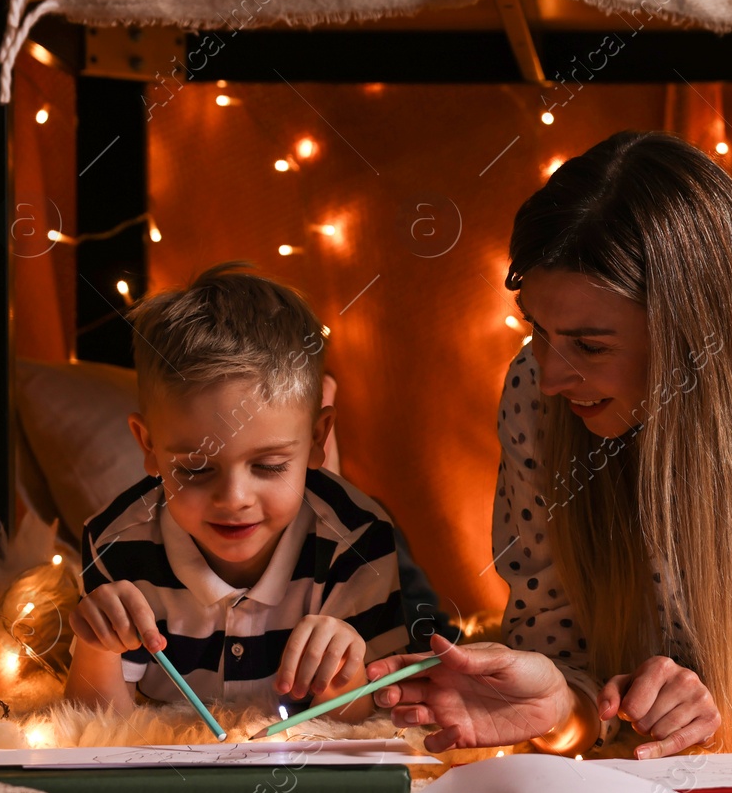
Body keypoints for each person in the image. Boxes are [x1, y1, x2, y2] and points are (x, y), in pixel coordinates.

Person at [369, 130, 732, 758]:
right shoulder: (536, 389)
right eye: (536, 328)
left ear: (697, 336)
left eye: (590, 346)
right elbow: (564, 660)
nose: (552, 377)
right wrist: (560, 708)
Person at [64, 263, 453, 718]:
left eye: (268, 466)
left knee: (437, 643)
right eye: (198, 468)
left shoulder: (358, 543)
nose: (234, 498)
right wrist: (99, 651)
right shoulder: (114, 542)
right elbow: (95, 731)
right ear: (148, 446)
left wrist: (345, 678)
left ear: (317, 440)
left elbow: (366, 725)